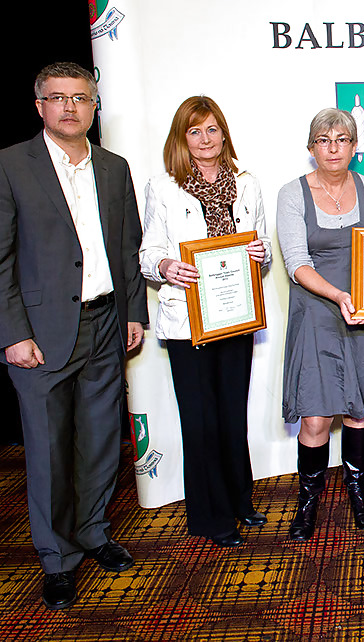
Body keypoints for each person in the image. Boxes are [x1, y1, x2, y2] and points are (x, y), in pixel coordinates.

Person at [0, 62, 148, 610]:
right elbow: (0, 259)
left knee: (100, 441)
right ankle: (56, 557)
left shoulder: (113, 167)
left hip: (107, 322)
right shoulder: (12, 165)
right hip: (39, 332)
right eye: (58, 98)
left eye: (80, 98)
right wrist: (12, 332)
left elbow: (128, 247)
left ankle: (91, 532)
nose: (70, 107)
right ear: (40, 106)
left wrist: (133, 313)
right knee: (47, 451)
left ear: (93, 107)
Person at [139, 96, 271, 548]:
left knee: (232, 416)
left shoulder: (247, 183)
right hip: (188, 321)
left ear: (223, 133)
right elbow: (148, 253)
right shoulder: (164, 186)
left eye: (212, 129)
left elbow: (264, 244)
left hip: (236, 315)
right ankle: (210, 515)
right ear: (182, 138)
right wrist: (167, 268)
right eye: (194, 131)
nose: (205, 139)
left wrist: (261, 253)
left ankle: (239, 499)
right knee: (200, 420)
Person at [277, 108, 364, 540]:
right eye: (323, 140)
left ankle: (356, 490)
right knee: (315, 417)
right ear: (311, 148)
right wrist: (338, 296)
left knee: (361, 409)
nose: (333, 148)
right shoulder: (291, 193)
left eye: (342, 139)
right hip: (317, 307)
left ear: (355, 147)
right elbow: (296, 262)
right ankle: (309, 498)